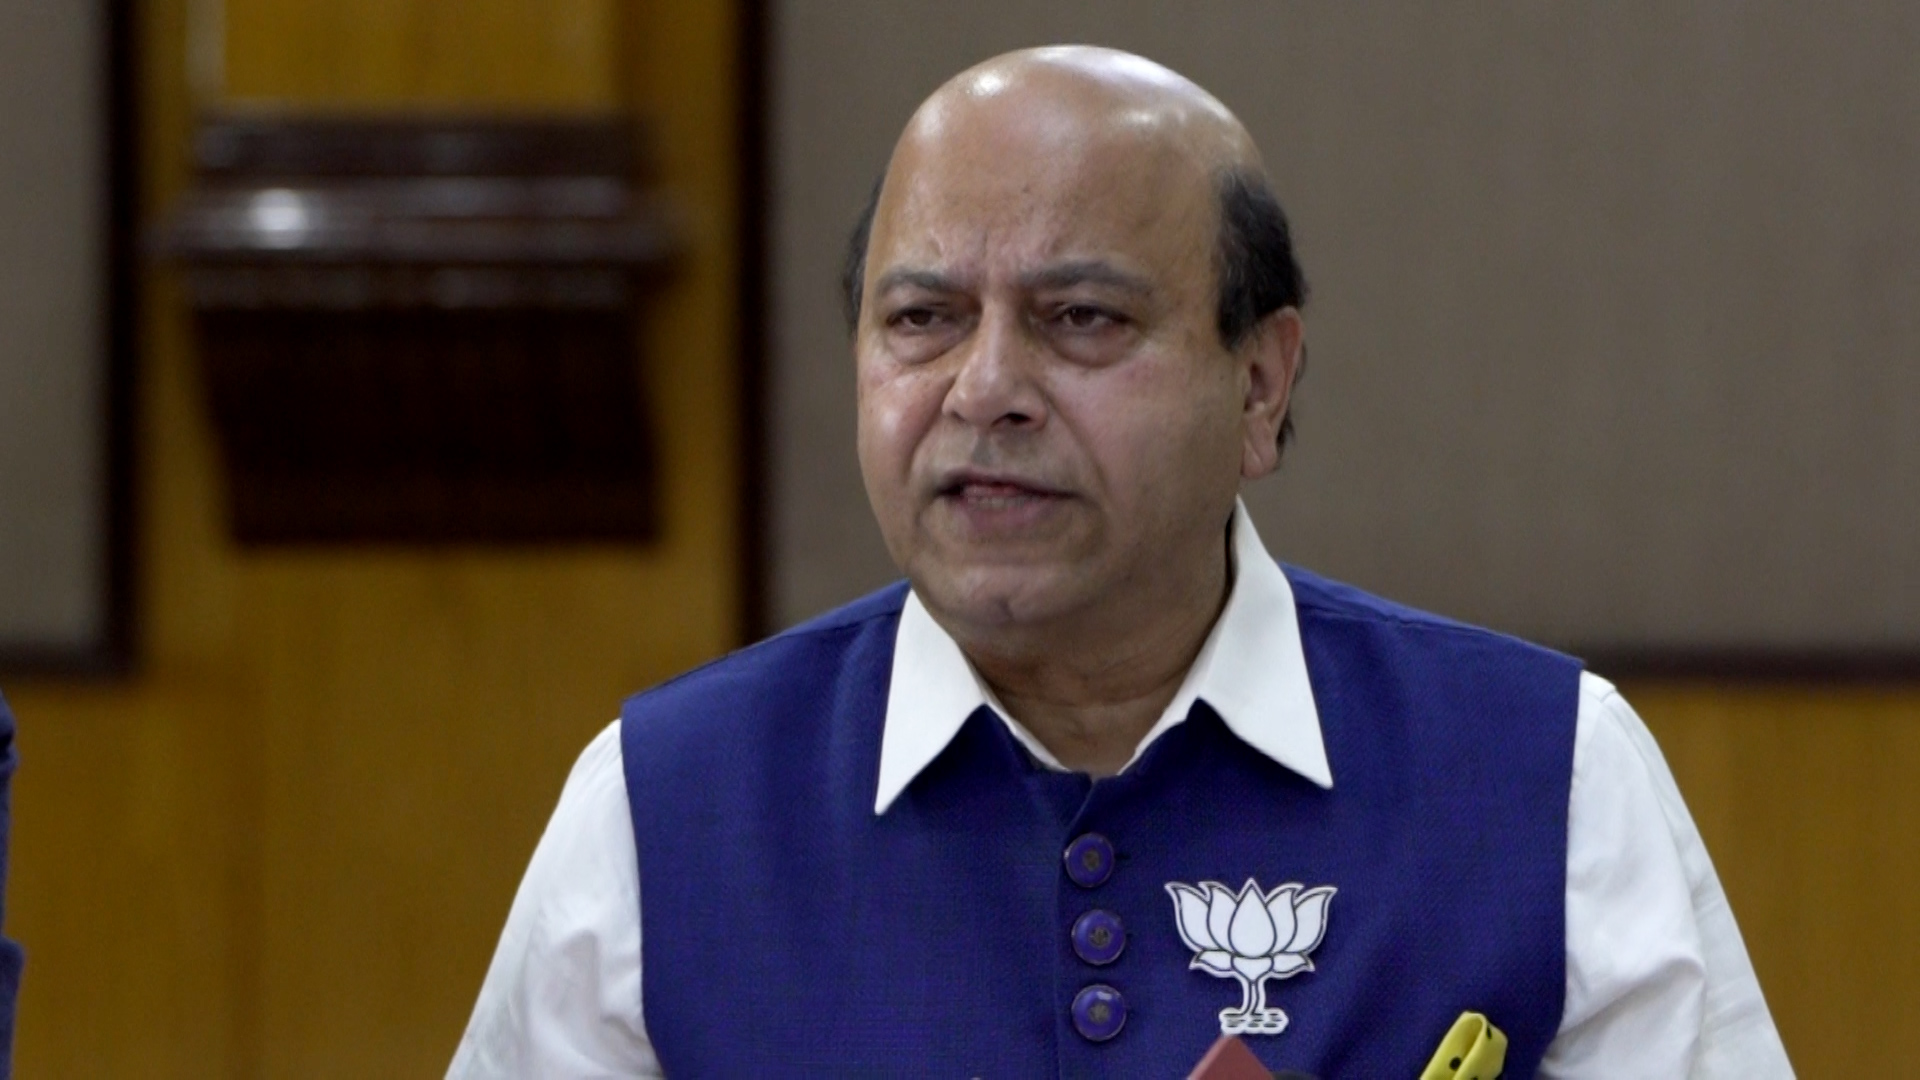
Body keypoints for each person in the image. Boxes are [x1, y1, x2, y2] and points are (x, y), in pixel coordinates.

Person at [451, 46, 1790, 1077]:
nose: (985, 389)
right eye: (921, 319)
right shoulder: (668, 806)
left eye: (1081, 318)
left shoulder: (1544, 771)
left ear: (1260, 384)